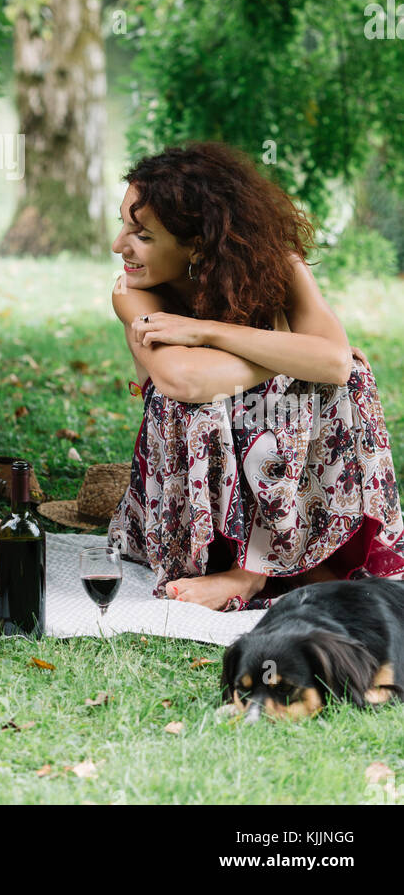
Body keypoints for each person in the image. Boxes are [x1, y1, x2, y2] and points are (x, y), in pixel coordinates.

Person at [109, 142, 404, 611]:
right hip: (192, 491)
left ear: (198, 242)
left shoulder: (279, 265)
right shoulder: (133, 294)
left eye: (141, 234)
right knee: (252, 393)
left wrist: (207, 331)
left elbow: (337, 366)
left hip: (283, 473)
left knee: (342, 382)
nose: (119, 245)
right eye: (124, 223)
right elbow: (183, 380)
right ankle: (251, 568)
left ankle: (260, 571)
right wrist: (292, 354)